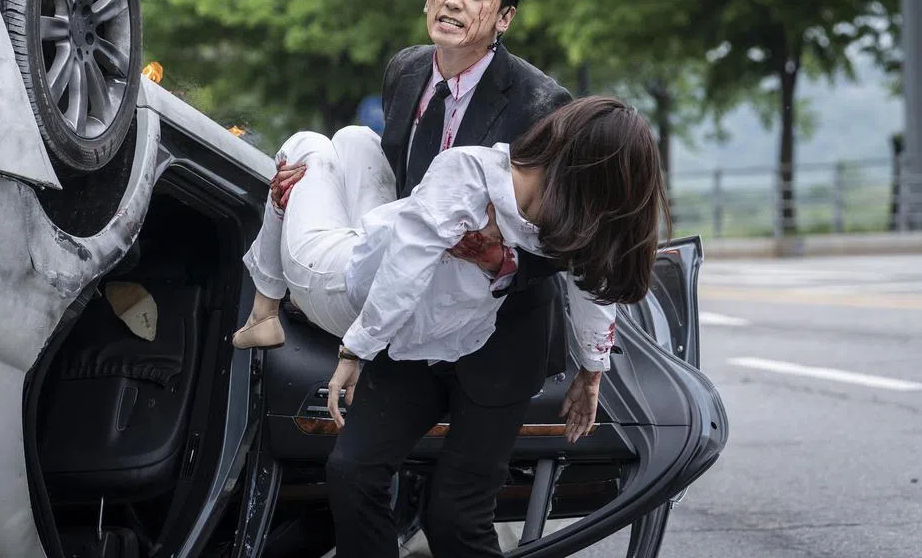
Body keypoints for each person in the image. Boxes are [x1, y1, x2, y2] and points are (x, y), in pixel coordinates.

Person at [265, 0, 657, 558]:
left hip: (499, 336)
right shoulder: (405, 70)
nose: (453, 1)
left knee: (456, 517)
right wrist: (312, 187)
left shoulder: (543, 106)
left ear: (503, 19)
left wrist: (504, 262)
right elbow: (400, 191)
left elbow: (570, 243)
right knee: (352, 471)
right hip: (412, 312)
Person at [232, 98, 665, 441]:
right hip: (431, 322)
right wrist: (591, 374)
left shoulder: (469, 171)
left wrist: (354, 351)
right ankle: (267, 305)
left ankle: (263, 309)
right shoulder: (561, 228)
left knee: (308, 144)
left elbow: (403, 272)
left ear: (561, 134)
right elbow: (595, 293)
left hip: (339, 283)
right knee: (354, 138)